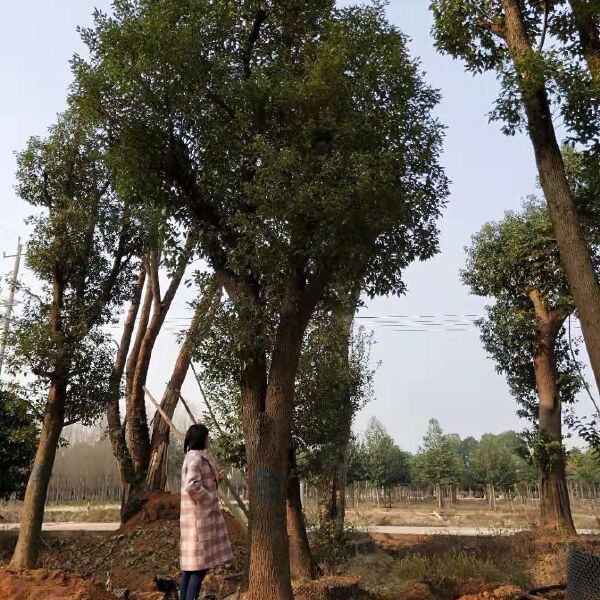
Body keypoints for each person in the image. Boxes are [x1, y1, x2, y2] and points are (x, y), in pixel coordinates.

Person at [180, 424, 232, 600]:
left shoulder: (194, 457)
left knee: (189, 568)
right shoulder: (196, 459)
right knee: (199, 569)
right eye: (207, 437)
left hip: (196, 521)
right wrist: (210, 498)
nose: (209, 440)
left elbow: (201, 480)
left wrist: (218, 478)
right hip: (198, 522)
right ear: (202, 439)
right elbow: (191, 485)